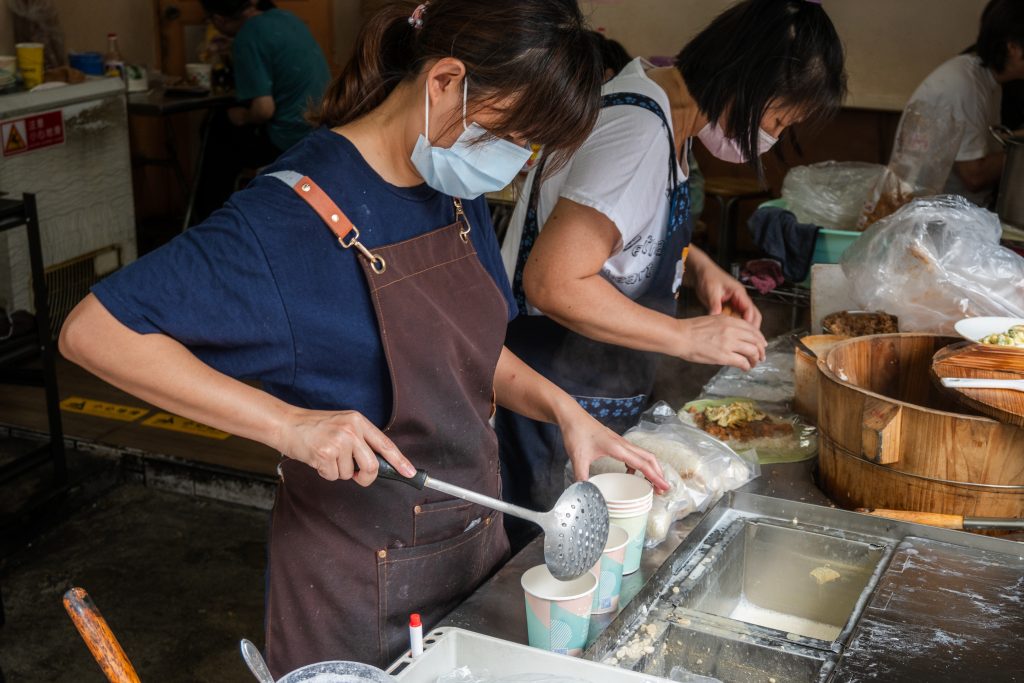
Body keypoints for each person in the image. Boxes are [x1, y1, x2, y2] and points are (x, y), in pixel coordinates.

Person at [59, 0, 666, 675]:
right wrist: (290, 426)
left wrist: (563, 407)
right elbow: (94, 332)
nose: (516, 162)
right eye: (512, 134)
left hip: (473, 558)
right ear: (444, 81)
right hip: (355, 595)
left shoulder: (449, 184)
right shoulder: (285, 219)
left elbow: (464, 349)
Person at [497, 0, 846, 539]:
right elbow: (554, 280)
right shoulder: (637, 134)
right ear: (745, 85)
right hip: (552, 404)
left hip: (590, 397)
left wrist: (699, 264)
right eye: (776, 120)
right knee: (558, 566)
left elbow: (616, 229)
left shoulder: (656, 104)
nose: (771, 137)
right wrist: (682, 335)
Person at [192, 0, 331, 223]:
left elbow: (264, 109)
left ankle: (210, 219)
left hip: (288, 138)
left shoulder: (248, 35)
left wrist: (241, 117)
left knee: (216, 127)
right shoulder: (286, 17)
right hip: (321, 127)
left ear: (218, 19)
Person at [903, 0, 1024, 207]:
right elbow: (974, 176)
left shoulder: (989, 81)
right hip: (935, 217)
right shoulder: (965, 85)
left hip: (958, 214)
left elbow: (983, 140)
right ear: (1012, 46)